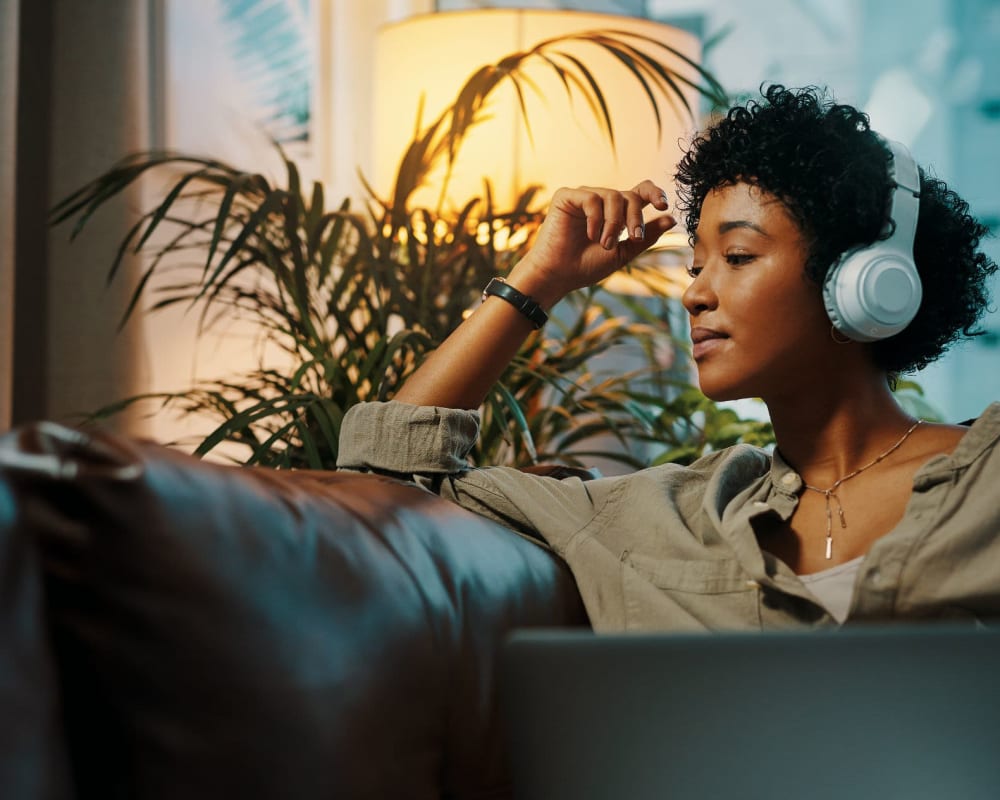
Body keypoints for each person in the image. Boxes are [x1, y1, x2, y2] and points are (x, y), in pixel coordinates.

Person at [337, 84, 1000, 631]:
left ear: (866, 281)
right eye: (694, 264)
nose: (694, 293)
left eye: (737, 257)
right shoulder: (665, 516)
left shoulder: (986, 483)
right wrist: (537, 281)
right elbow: (379, 485)